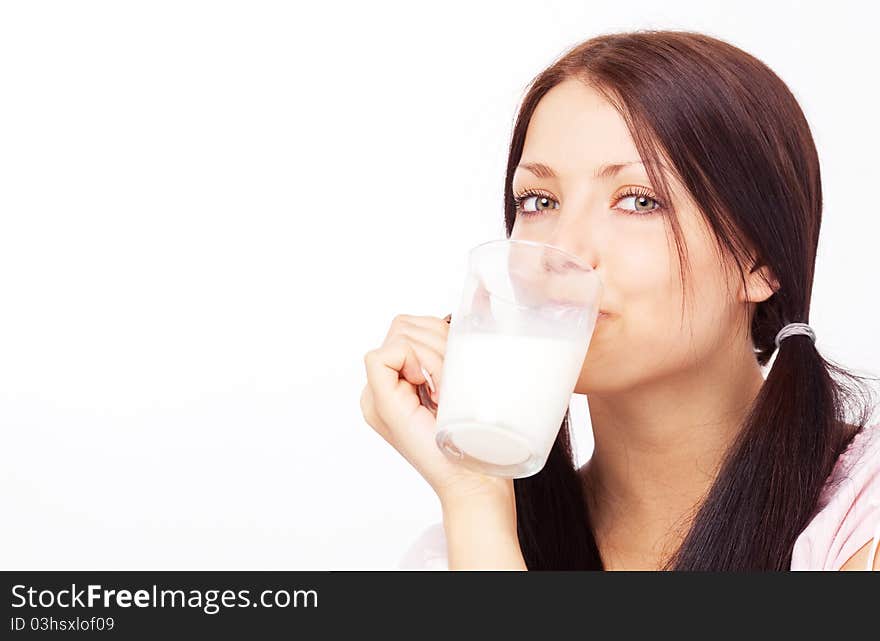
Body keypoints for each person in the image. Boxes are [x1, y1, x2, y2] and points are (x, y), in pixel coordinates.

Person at [360, 30, 880, 570]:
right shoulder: (464, 548)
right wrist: (472, 493)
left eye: (637, 201)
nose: (561, 250)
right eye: (539, 201)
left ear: (760, 261)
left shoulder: (861, 512)